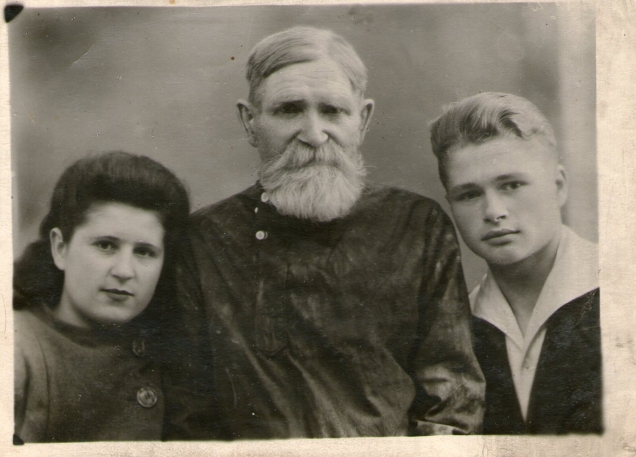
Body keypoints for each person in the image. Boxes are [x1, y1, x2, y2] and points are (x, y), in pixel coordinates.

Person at [177, 26, 484, 439]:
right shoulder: (204, 241)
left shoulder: (416, 226)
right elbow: (188, 420)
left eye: (333, 111)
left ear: (363, 120)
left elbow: (452, 405)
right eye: (289, 110)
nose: (314, 134)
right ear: (250, 122)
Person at [429, 92, 601, 434]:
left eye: (511, 185)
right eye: (469, 194)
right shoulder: (457, 329)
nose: (494, 212)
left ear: (559, 186)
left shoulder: (622, 289)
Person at [13, 151, 191, 442]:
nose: (124, 271)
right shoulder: (17, 346)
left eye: (144, 252)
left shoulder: (174, 350)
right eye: (106, 246)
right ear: (60, 248)